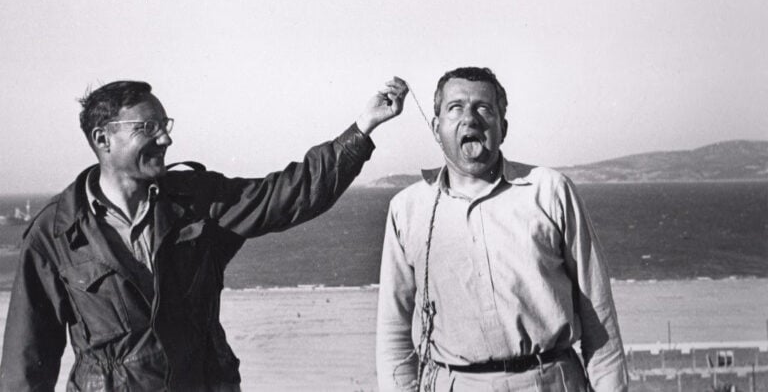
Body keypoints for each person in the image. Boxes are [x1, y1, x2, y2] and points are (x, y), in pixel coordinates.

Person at [0, 77, 408, 392]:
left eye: (165, 125)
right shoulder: (55, 232)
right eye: (148, 127)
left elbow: (290, 194)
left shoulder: (199, 201)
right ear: (103, 139)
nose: (166, 138)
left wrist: (362, 128)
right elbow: (26, 359)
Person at [376, 67, 628, 392]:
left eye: (484, 108)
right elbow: (394, 332)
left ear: (502, 127)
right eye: (455, 108)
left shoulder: (550, 191)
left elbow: (599, 317)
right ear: (436, 128)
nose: (470, 119)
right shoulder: (407, 209)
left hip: (551, 382)